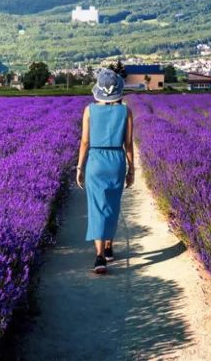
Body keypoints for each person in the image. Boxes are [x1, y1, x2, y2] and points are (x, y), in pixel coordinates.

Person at [76, 68, 135, 274]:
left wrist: (79, 167)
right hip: (116, 160)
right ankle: (109, 247)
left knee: (96, 207)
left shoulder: (89, 110)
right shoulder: (126, 111)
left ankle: (100, 256)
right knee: (112, 204)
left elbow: (84, 141)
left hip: (96, 160)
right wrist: (131, 170)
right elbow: (128, 145)